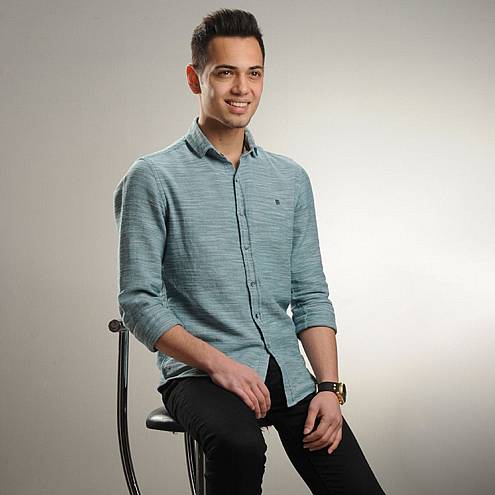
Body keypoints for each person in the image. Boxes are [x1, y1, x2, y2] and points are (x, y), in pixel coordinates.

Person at [113, 8, 386, 495]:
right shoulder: (153, 178)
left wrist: (329, 387)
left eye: (254, 73)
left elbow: (310, 294)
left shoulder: (290, 179)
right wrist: (218, 364)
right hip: (199, 374)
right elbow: (138, 301)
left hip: (286, 370)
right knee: (240, 446)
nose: (242, 88)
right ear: (195, 78)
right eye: (226, 72)